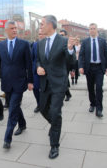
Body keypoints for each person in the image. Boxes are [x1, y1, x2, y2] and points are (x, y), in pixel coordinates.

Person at [37, 15, 75, 159]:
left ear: (50, 25)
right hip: (45, 83)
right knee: (42, 109)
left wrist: (70, 50)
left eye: (42, 24)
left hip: (59, 84)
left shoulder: (64, 41)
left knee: (55, 112)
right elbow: (39, 61)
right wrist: (38, 67)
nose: (40, 27)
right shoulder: (41, 43)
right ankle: (55, 126)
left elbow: (71, 62)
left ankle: (54, 145)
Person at [0, 20, 33, 149]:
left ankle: (7, 139)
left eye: (15, 28)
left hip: (20, 83)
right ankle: (22, 124)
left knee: (12, 109)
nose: (15, 30)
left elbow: (29, 64)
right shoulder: (0, 46)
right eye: (12, 28)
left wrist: (30, 81)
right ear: (6, 30)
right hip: (6, 83)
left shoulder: (24, 44)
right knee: (14, 106)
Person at [79, 23, 107, 118]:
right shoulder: (85, 42)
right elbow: (81, 55)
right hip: (89, 68)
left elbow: (106, 55)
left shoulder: (102, 41)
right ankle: (92, 104)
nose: (92, 30)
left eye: (94, 28)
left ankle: (99, 109)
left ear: (97, 30)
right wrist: (81, 66)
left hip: (99, 68)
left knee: (99, 88)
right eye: (90, 29)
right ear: (89, 30)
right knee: (90, 88)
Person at [32, 28, 46, 113]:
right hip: (36, 71)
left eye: (42, 34)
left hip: (46, 72)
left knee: (45, 89)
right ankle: (39, 104)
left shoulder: (49, 44)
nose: (41, 35)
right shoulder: (35, 45)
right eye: (39, 34)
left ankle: (46, 104)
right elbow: (33, 57)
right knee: (35, 88)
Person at [59, 29, 72, 101]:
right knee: (63, 81)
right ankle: (68, 94)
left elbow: (72, 56)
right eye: (60, 35)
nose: (61, 36)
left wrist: (73, 69)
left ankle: (67, 94)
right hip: (58, 65)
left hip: (66, 66)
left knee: (64, 81)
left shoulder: (68, 43)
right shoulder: (57, 42)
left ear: (65, 36)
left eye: (62, 35)